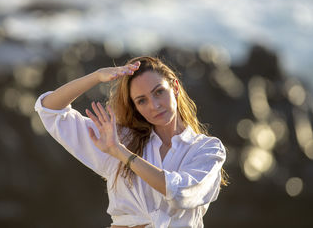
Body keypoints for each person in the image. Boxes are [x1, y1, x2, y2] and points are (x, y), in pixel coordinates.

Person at [34, 56, 228, 228]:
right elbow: (50, 111)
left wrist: (121, 153)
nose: (154, 105)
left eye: (159, 91)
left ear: (175, 87)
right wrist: (96, 76)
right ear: (135, 106)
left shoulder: (207, 149)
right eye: (142, 100)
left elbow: (179, 193)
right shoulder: (121, 138)